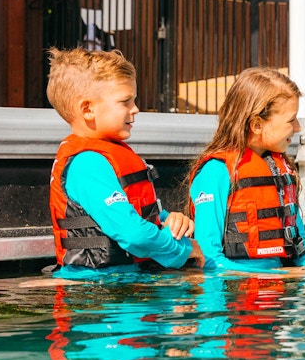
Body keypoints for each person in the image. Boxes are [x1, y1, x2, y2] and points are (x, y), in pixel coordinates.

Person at [46, 46, 204, 278]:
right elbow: (132, 234)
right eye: (125, 101)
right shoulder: (88, 164)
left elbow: (132, 215)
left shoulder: (104, 156)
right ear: (87, 109)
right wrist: (186, 249)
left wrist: (167, 219)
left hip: (123, 281)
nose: (136, 109)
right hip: (100, 296)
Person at [188, 67, 305, 272]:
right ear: (257, 125)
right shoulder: (216, 172)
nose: (298, 127)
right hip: (235, 296)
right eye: (291, 119)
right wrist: (274, 277)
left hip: (279, 291)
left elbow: (301, 253)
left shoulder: (279, 170)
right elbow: (209, 259)